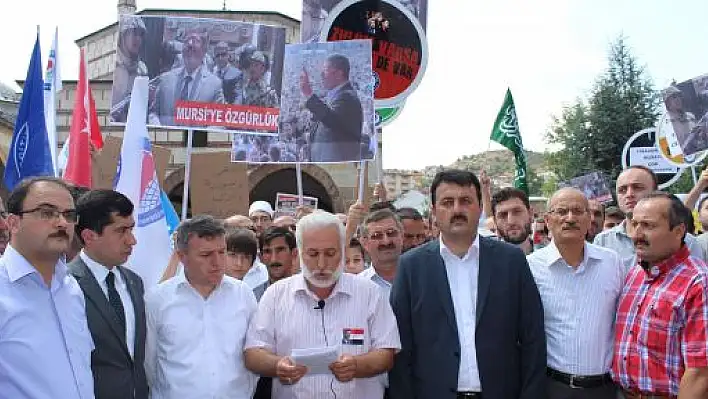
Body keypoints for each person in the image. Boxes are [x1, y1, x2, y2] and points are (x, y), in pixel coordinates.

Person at [389, 169, 546, 399]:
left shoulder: (511, 261)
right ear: (433, 212)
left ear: (480, 207)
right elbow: (400, 347)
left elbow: (533, 338)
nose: (457, 210)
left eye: (465, 201)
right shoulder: (411, 267)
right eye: (447, 202)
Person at [244, 211, 401, 398]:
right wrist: (278, 366)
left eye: (330, 253)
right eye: (312, 254)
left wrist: (357, 366)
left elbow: (386, 353)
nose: (321, 264)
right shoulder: (276, 295)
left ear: (343, 252)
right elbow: (253, 353)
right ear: (299, 253)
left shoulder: (369, 293)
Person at [0, 177, 94, 398]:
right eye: (47, 212)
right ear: (13, 223)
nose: (62, 223)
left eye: (69, 215)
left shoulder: (71, 288)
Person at [145, 215, 258, 398]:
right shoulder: (157, 300)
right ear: (182, 257)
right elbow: (149, 363)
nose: (217, 262)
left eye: (222, 252)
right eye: (206, 255)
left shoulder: (243, 294)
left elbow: (253, 353)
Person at [527, 188, 623, 399]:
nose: (570, 218)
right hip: (553, 387)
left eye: (578, 211)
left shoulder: (612, 262)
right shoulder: (530, 267)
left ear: (589, 219)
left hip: (605, 388)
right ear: (548, 220)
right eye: (561, 211)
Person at [612, 192, 708, 398]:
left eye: (648, 226)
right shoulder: (635, 273)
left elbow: (700, 372)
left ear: (679, 231)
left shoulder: (698, 283)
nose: (637, 234)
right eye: (634, 224)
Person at [69, 189, 147, 399]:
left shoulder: (134, 282)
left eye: (131, 229)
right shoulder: (65, 286)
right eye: (121, 231)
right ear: (89, 236)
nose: (132, 241)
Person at [594, 165, 705, 274]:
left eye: (637, 187)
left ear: (655, 192)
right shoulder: (603, 241)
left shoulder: (686, 242)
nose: (629, 194)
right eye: (622, 190)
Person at [150, 30, 225, 126]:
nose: (190, 44)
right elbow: (153, 112)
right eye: (186, 41)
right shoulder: (166, 79)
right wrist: (158, 127)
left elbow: (219, 122)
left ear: (204, 50)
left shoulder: (214, 84)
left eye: (195, 41)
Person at [300, 54, 364, 162]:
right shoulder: (336, 96)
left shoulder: (347, 97)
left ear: (339, 74)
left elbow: (332, 120)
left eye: (325, 70)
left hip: (336, 164)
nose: (321, 75)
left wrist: (309, 94)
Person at [111, 16, 148, 122]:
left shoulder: (142, 69)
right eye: (133, 33)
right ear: (123, 35)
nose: (137, 39)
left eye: (140, 35)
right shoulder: (114, 64)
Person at [359, 208, 403, 297]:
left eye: (391, 233)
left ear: (402, 236)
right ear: (365, 243)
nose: (386, 241)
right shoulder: (357, 286)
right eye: (377, 236)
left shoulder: (421, 277)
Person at [252, 226, 297, 301]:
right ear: (260, 257)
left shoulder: (310, 294)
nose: (274, 259)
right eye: (267, 251)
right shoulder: (253, 297)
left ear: (294, 254)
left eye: (280, 250)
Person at [491, 187, 534, 254]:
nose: (511, 221)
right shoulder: (483, 260)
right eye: (503, 215)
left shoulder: (550, 254)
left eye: (517, 212)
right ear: (495, 221)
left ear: (530, 214)